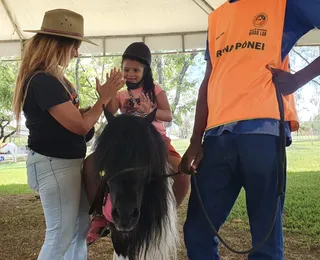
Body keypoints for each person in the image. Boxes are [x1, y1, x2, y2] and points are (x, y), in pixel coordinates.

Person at [180, 0, 320, 259]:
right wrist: (195, 138)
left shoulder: (284, 5)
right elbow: (209, 77)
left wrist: (298, 79)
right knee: (197, 230)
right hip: (215, 139)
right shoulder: (217, 17)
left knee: (265, 241)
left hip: (264, 136)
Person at [12, 9, 124, 260]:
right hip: (55, 165)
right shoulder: (43, 81)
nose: (76, 52)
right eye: (74, 46)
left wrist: (91, 109)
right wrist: (103, 99)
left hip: (67, 164)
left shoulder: (57, 81)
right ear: (58, 45)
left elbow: (75, 124)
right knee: (60, 235)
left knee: (78, 229)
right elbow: (80, 126)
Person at [84, 41, 190, 245]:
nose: (130, 73)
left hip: (154, 139)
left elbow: (168, 115)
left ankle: (164, 215)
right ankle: (98, 213)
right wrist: (105, 95)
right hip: (125, 142)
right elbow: (111, 110)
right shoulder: (121, 94)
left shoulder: (155, 90)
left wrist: (150, 111)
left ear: (146, 70)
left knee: (180, 172)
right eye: (126, 69)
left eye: (136, 69)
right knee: (90, 164)